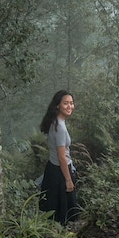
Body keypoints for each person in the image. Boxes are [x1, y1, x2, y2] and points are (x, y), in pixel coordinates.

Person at [39, 90, 78, 225]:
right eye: (65, 103)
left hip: (52, 169)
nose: (69, 106)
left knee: (54, 210)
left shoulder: (55, 122)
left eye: (71, 103)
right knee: (63, 213)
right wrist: (68, 180)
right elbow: (62, 157)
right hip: (60, 172)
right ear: (58, 105)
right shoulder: (59, 127)